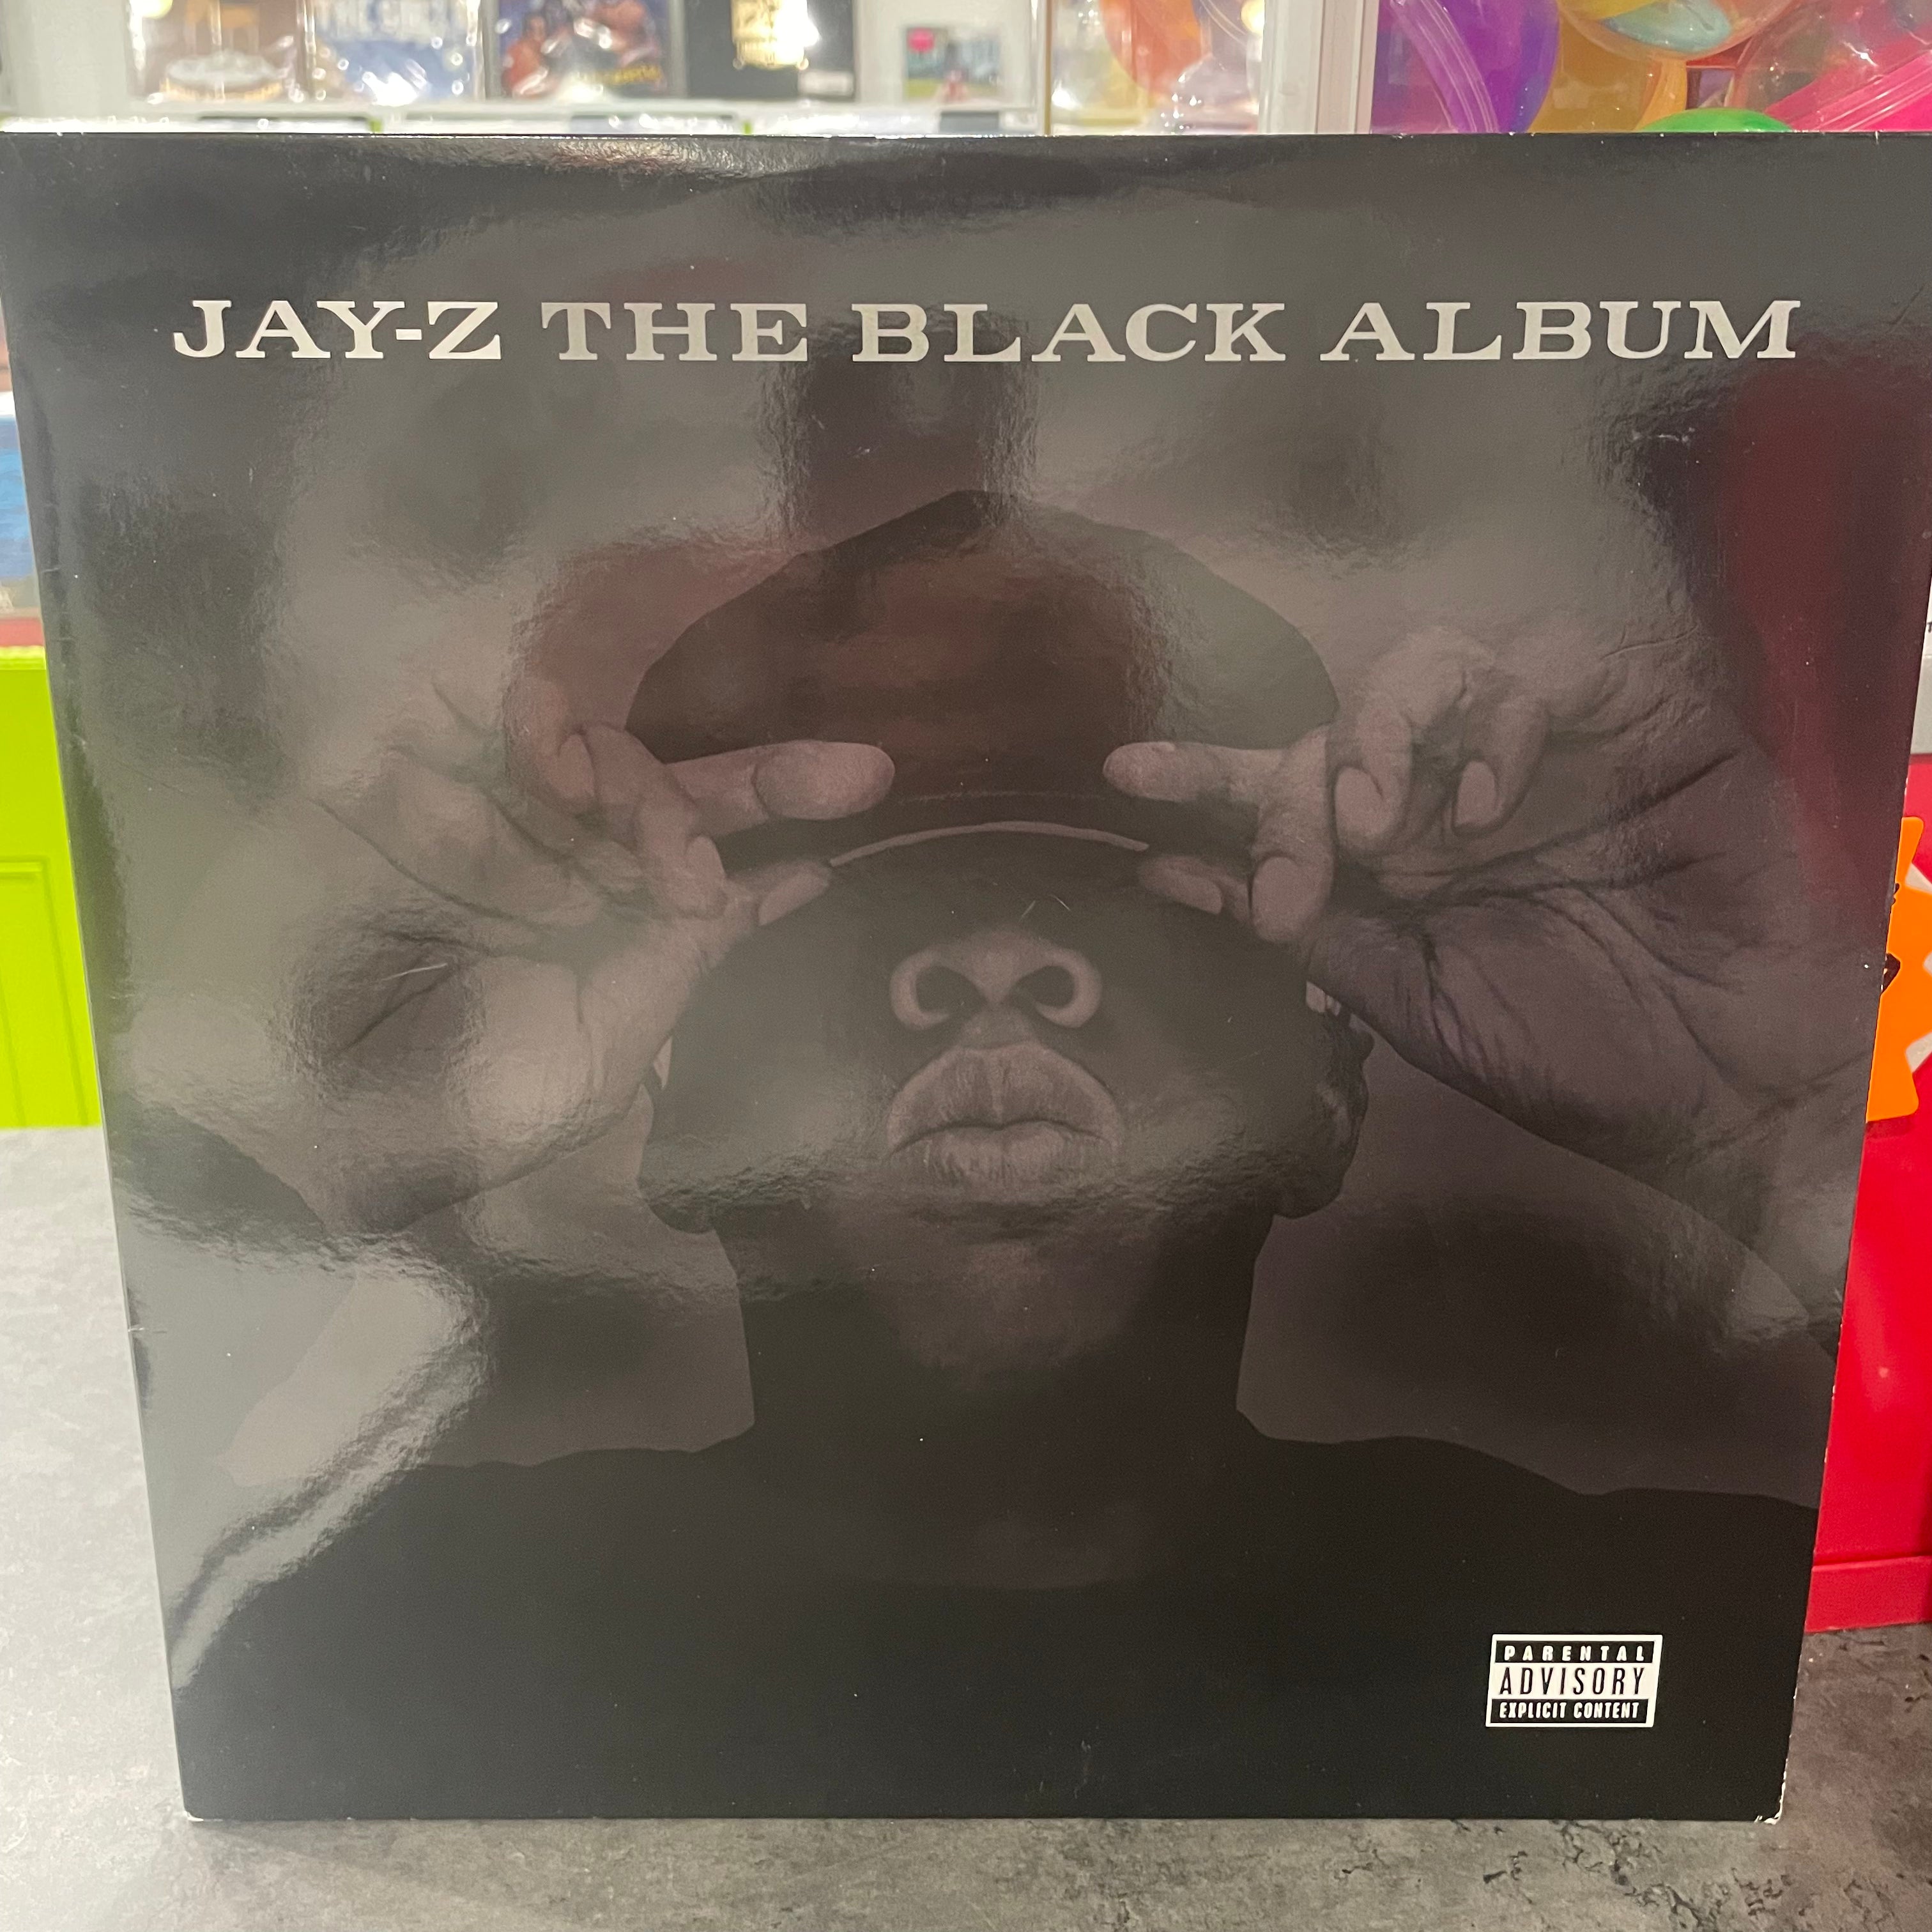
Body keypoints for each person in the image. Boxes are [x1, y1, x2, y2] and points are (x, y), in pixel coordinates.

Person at [173, 491, 1846, 1818]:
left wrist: (1782, 1125)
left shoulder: (1640, 1620)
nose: (993, 967)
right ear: (676, 1110)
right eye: (849, 899)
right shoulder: (375, 1635)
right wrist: (288, 1143)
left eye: (1135, 893)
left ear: (1326, 1089)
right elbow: (145, 1600)